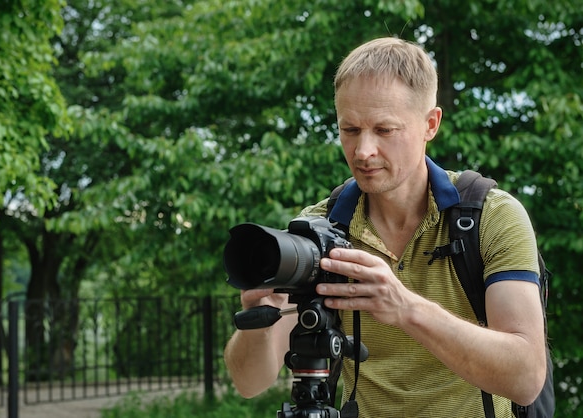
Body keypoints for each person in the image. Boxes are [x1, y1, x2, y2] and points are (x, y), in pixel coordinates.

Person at [223, 37, 546, 417]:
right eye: (350, 129)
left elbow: (526, 378)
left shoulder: (491, 217)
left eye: (384, 129)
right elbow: (249, 383)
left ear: (430, 124)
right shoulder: (319, 228)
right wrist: (260, 318)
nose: (363, 151)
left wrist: (405, 306)